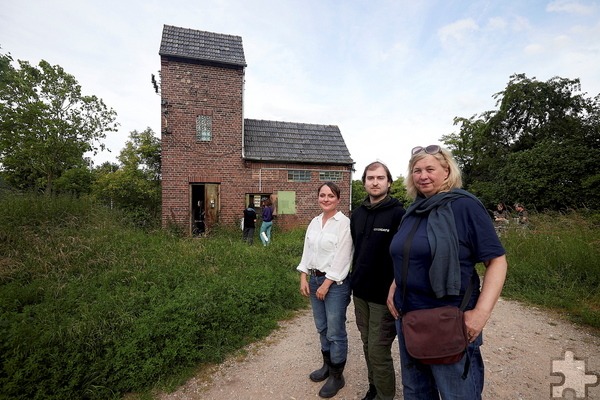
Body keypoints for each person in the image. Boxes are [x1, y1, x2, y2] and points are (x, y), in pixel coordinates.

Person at [386, 144, 507, 400]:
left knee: (457, 394)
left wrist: (480, 314)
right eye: (416, 170)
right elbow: (408, 254)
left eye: (430, 168)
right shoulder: (413, 211)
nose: (423, 175)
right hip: (409, 317)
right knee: (417, 392)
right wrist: (396, 284)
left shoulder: (465, 206)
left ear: (446, 171)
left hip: (450, 319)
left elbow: (497, 261)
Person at [350, 162, 405, 400]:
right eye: (370, 178)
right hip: (360, 292)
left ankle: (384, 396)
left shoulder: (399, 214)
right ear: (364, 182)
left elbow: (404, 255)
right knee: (365, 343)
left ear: (389, 183)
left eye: (380, 178)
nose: (375, 182)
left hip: (385, 297)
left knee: (378, 350)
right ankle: (373, 389)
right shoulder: (358, 213)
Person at [297, 182, 353, 399]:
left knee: (335, 331)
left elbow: (343, 257)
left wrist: (326, 284)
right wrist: (303, 276)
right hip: (314, 280)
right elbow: (307, 251)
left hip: (335, 286)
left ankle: (337, 376)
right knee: (321, 327)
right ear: (318, 198)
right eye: (322, 195)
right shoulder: (314, 222)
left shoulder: (344, 224)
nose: (326, 199)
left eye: (331, 195)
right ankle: (327, 367)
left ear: (338, 199)